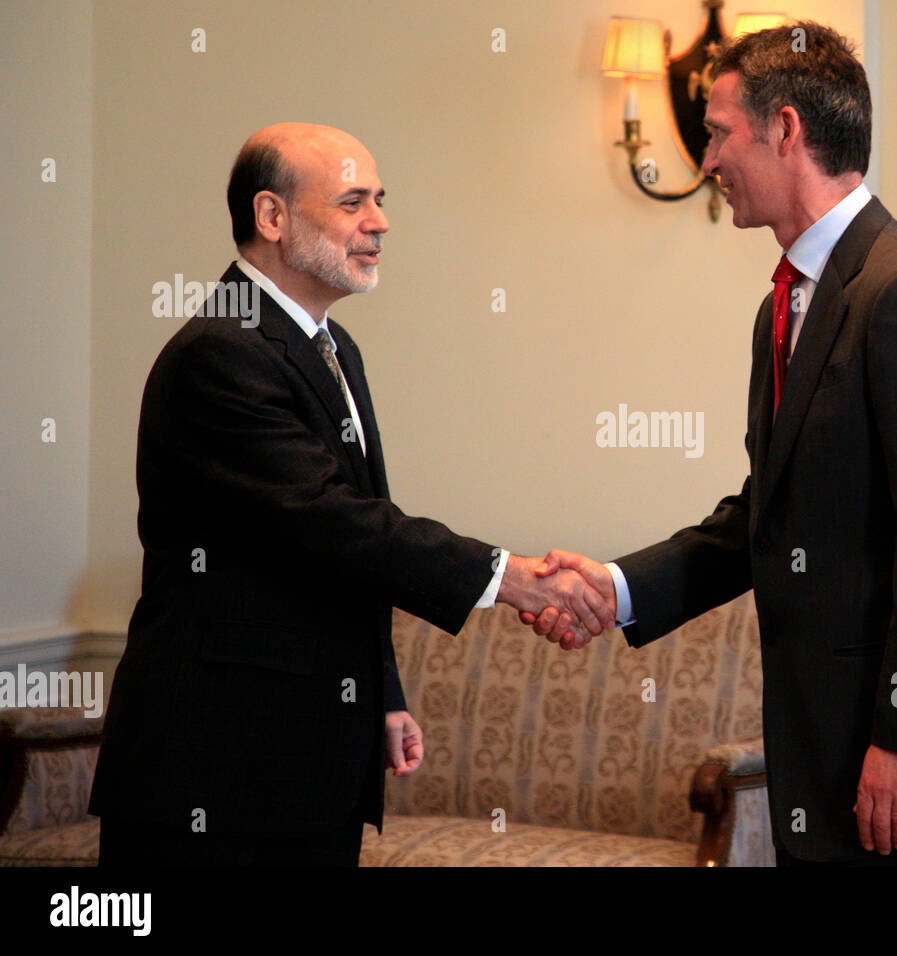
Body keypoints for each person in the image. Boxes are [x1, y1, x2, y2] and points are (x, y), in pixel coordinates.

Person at [524, 23, 897, 865]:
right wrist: (618, 589)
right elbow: (771, 517)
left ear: (786, 130)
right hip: (819, 761)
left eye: (719, 133)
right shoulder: (786, 305)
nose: (709, 160)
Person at [88, 123, 615, 866]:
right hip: (218, 768)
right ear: (272, 218)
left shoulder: (331, 347)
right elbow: (331, 520)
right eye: (352, 202)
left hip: (307, 765)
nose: (380, 222)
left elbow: (351, 549)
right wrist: (513, 578)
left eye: (380, 200)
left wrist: (385, 695)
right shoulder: (222, 352)